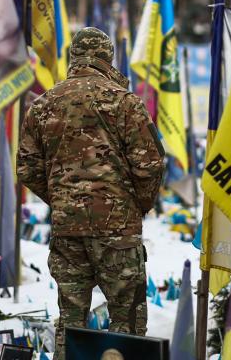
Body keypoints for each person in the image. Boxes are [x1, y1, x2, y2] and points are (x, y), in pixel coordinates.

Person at [17, 27, 165, 357]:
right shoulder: (124, 102)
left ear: (74, 58)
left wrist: (63, 200)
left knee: (71, 320)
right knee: (125, 321)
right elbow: (150, 164)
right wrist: (135, 205)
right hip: (118, 229)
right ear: (106, 58)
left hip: (67, 230)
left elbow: (27, 168)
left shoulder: (43, 105)